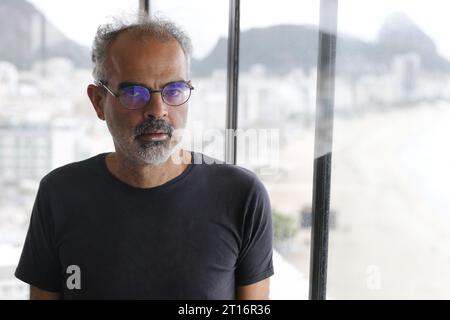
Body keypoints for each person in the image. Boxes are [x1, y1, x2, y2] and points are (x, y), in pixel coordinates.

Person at [15, 13, 274, 300]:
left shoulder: (241, 196)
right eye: (135, 93)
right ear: (98, 102)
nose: (158, 109)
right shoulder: (60, 193)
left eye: (174, 90)